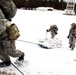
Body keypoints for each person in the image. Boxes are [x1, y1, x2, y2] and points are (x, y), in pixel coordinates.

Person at [0, 0, 25, 67]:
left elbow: (2, 23)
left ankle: (21, 54)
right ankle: (7, 61)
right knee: (0, 51)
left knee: (11, 52)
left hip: (6, 34)